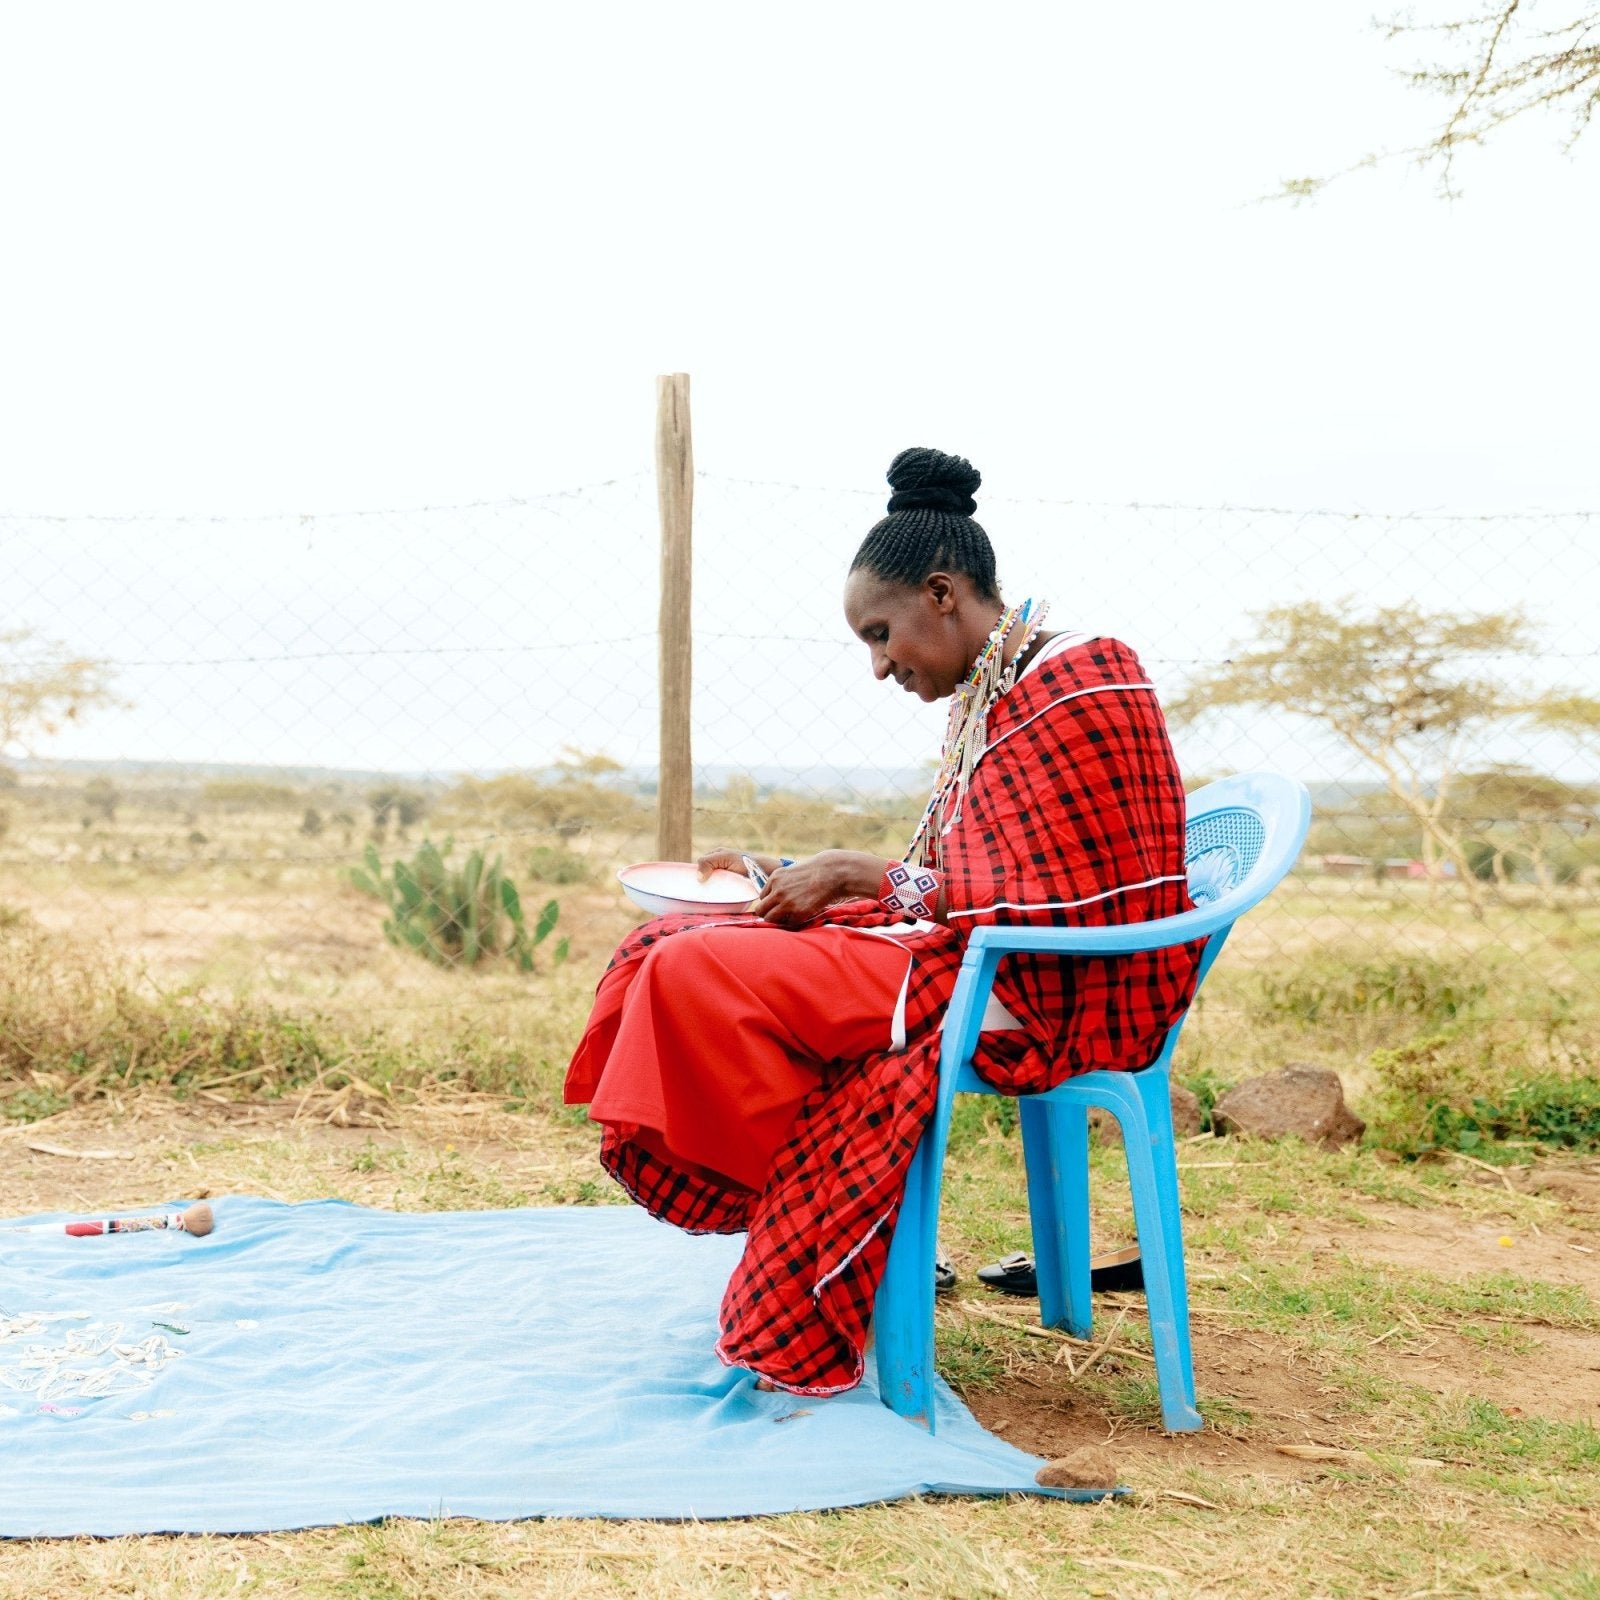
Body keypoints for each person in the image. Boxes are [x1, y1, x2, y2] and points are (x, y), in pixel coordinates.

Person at [565, 446, 1201, 1396]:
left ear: (941, 593)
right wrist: (799, 878)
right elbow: (969, 871)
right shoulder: (1000, 689)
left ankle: (783, 1195)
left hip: (1047, 986)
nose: (877, 666)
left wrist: (864, 876)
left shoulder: (1083, 679)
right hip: (975, 953)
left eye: (879, 634)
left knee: (694, 971)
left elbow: (1057, 892)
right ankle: (793, 1195)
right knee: (668, 940)